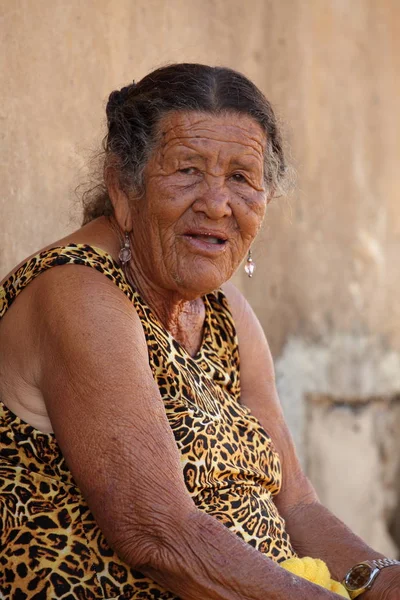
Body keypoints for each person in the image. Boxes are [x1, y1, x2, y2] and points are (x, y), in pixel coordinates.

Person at [0, 63, 399, 600]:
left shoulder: (225, 310)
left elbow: (297, 504)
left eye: (240, 177)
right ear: (123, 185)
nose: (217, 203)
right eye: (187, 170)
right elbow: (159, 533)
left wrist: (381, 579)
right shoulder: (78, 291)